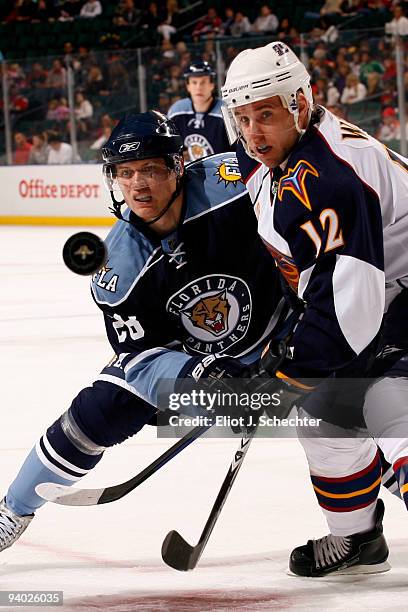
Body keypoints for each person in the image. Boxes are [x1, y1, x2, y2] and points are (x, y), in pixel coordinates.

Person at [0, 111, 288, 552]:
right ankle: (14, 508)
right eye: (125, 172)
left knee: (352, 407)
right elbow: (142, 358)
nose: (137, 185)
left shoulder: (232, 182)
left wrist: (310, 308)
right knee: (98, 410)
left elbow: (301, 217)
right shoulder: (117, 267)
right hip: (204, 364)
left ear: (177, 166)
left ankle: (367, 515)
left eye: (151, 169)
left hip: (284, 332)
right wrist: (202, 378)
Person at [221, 41, 408, 577]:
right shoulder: (273, 155)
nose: (253, 133)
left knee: (391, 408)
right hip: (384, 293)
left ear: (302, 103)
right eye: (243, 118)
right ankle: (358, 540)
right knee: (325, 418)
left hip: (393, 295)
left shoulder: (328, 176)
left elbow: (349, 305)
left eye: (267, 115)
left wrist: (289, 374)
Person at [167, 61, 230, 161]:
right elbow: (170, 149)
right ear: (188, 86)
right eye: (194, 82)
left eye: (203, 82)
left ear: (212, 85)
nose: (198, 87)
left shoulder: (225, 111)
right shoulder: (177, 111)